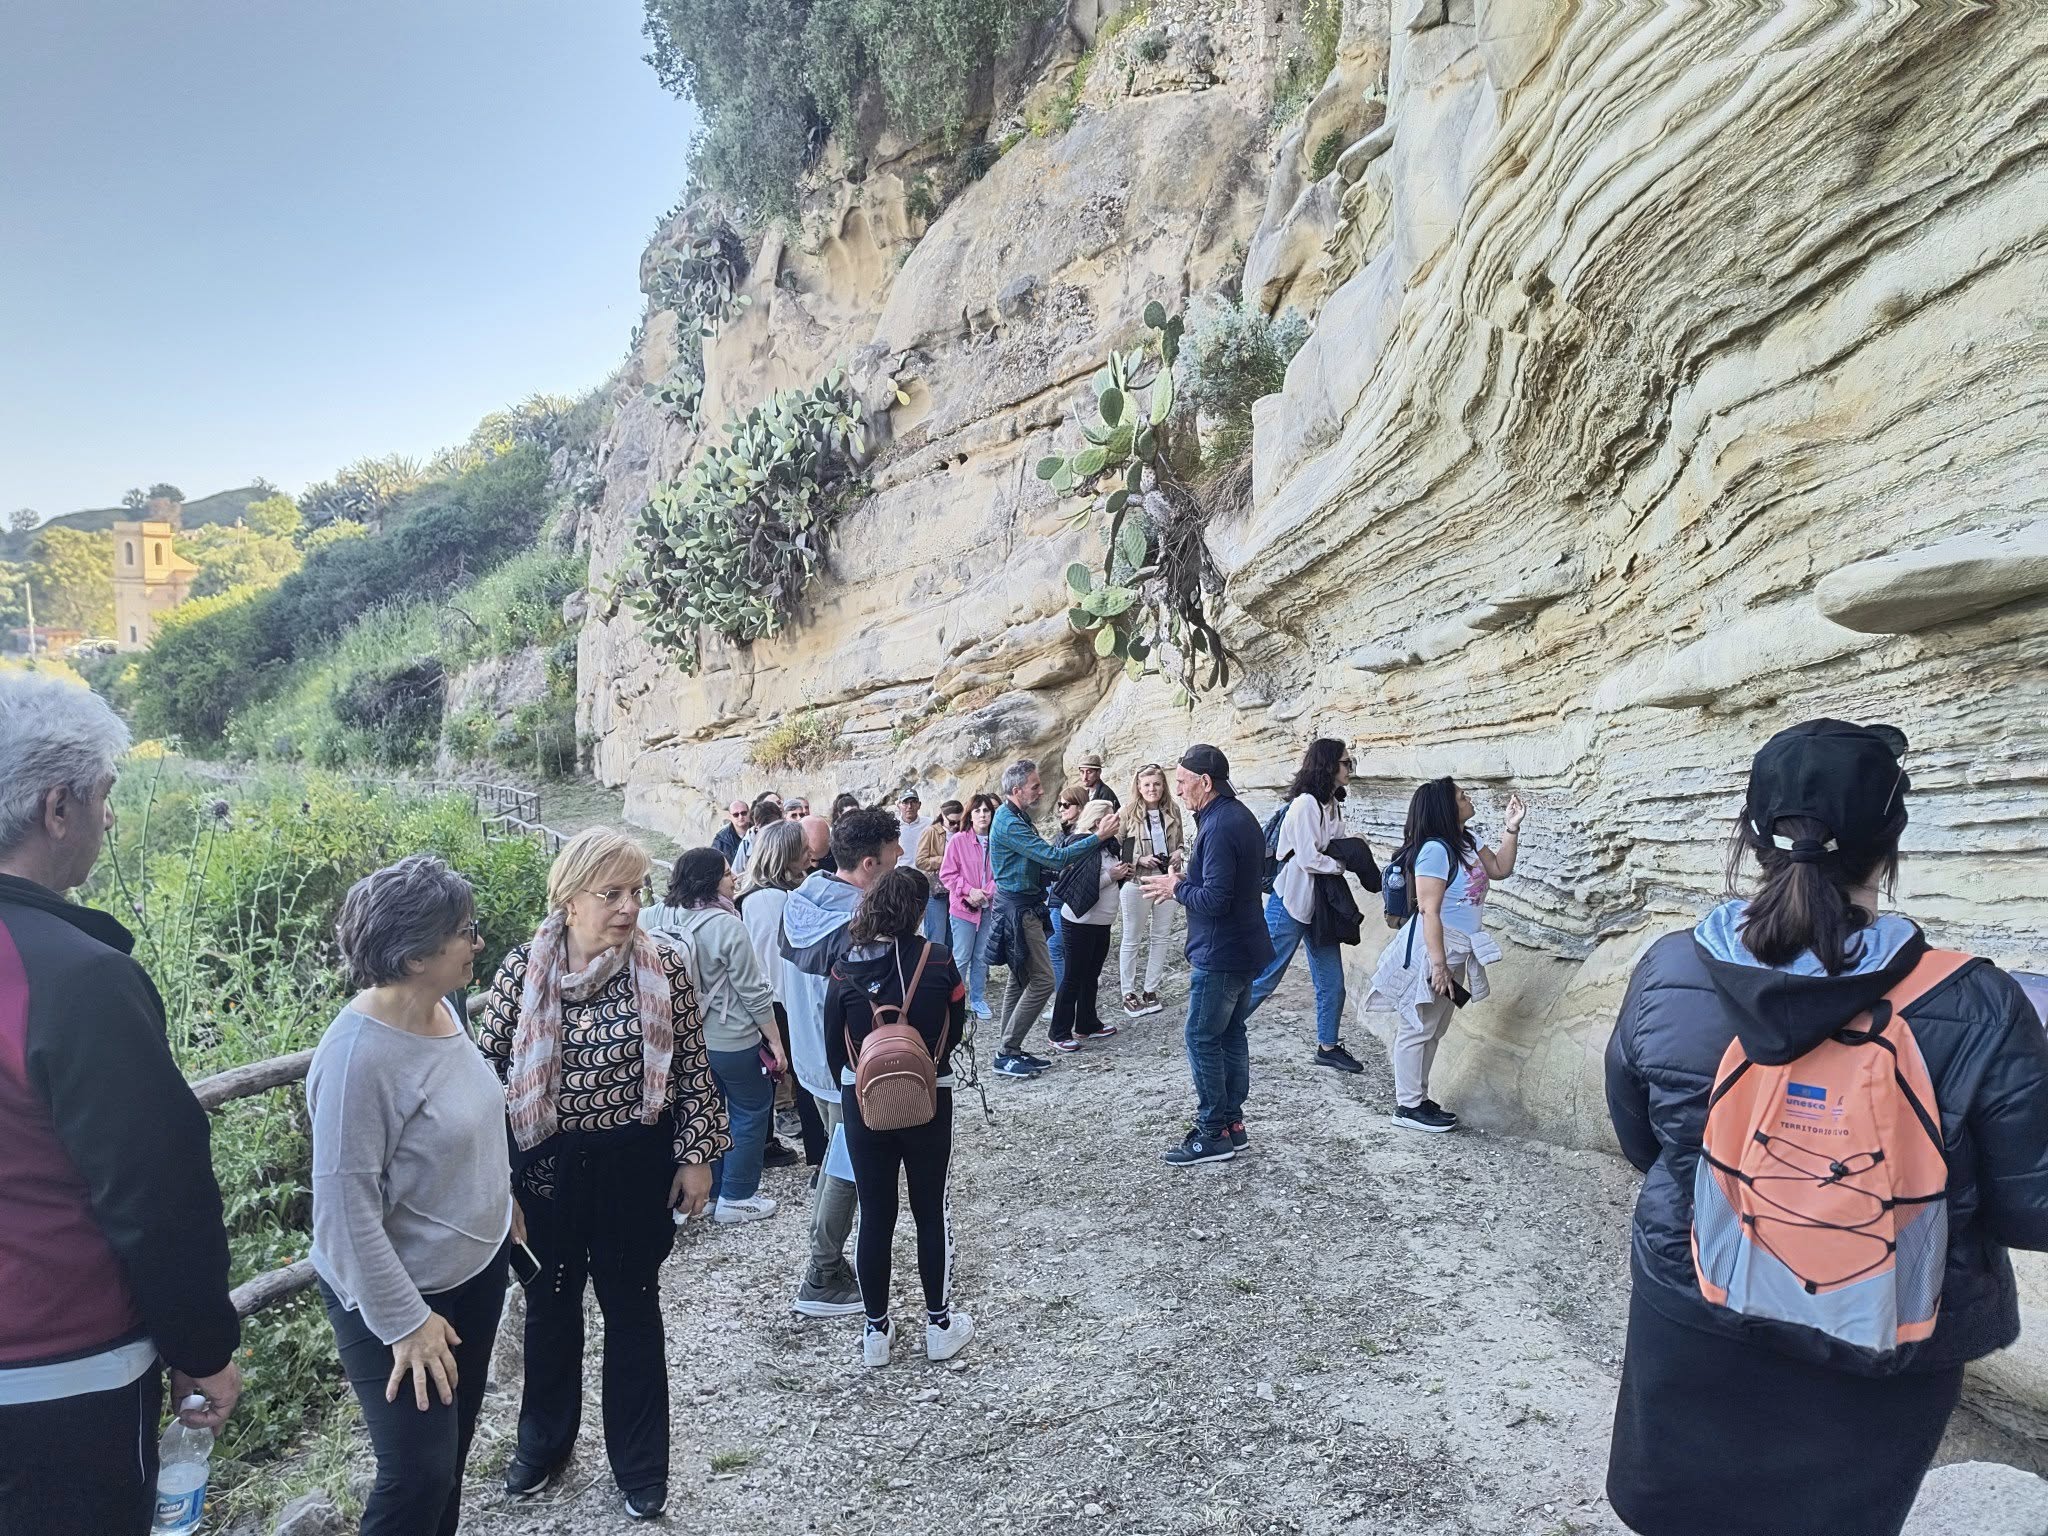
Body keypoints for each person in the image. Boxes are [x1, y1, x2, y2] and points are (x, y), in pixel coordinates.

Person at [1603, 719, 2048, 1536]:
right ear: (1891, 844)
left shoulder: (1672, 966)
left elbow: (1644, 1144)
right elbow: (2033, 1210)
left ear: (1753, 834)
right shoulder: (1980, 1004)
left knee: (1682, 1516)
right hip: (1881, 1331)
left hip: (1696, 1291)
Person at [0, 674, 240, 1535]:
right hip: (63, 1383)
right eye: (105, 797)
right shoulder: (75, 979)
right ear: (57, 807)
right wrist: (203, 1350)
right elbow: (156, 1194)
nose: (110, 819)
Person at [477, 829, 728, 1521]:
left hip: (631, 1166)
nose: (628, 907)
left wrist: (698, 1155)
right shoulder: (522, 968)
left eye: (636, 892)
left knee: (633, 1310)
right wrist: (498, 1184)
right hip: (546, 1172)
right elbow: (483, 1076)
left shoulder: (664, 967)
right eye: (611, 893)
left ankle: (641, 1466)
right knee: (550, 1308)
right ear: (568, 898)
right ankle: (545, 1444)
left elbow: (691, 1072)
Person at [311, 855, 513, 1536]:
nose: (477, 943)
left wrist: (500, 1199)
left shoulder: (445, 1008)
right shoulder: (355, 1057)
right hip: (400, 1296)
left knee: (449, 1461)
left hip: (475, 1274)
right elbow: (343, 1212)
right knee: (417, 1474)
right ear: (416, 953)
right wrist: (404, 1322)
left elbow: (471, 1119)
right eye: (464, 932)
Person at [825, 867, 976, 1369]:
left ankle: (875, 1332)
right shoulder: (939, 961)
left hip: (863, 1101)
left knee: (876, 1213)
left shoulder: (843, 967)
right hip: (929, 1095)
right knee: (931, 1208)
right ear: (916, 911)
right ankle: (938, 1323)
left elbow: (835, 1048)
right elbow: (956, 1026)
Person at [781, 807, 903, 1317]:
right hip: (847, 1066)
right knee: (848, 1168)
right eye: (896, 853)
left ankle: (826, 1262)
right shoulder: (862, 925)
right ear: (871, 863)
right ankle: (822, 1273)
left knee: (840, 1158)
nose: (903, 859)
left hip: (812, 1058)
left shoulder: (803, 898)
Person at [1139, 744, 1273, 1166]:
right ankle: (1233, 1125)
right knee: (1230, 1033)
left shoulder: (1219, 825)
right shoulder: (1238, 816)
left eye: (1181, 781)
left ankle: (1213, 1131)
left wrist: (1175, 887)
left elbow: (1215, 898)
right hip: (1243, 946)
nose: (1176, 790)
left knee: (1201, 1036)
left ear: (1205, 782)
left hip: (1221, 952)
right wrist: (1183, 879)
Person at [1365, 778, 1524, 1133]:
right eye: (1462, 797)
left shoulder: (1467, 841)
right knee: (1417, 1026)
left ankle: (1419, 1099)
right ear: (1445, 809)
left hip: (1457, 948)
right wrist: (1438, 965)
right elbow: (1429, 911)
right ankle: (1407, 1106)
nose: (1469, 799)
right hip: (1435, 947)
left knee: (1434, 1028)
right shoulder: (1435, 851)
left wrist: (1511, 829)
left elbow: (1499, 869)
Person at [640, 849, 788, 1225]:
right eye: (725, 874)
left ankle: (704, 1195)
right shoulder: (727, 925)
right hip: (731, 1037)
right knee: (750, 1109)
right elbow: (753, 992)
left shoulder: (653, 915)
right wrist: (774, 1041)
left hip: (682, 1037)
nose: (734, 877)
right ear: (708, 881)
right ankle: (737, 1195)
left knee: (705, 1112)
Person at [989, 760, 1118, 1079]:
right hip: (1019, 909)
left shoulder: (1015, 816)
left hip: (1021, 905)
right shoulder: (1010, 822)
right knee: (1043, 980)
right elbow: (1053, 856)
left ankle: (1008, 1050)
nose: (1042, 790)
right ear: (1017, 790)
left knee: (1019, 979)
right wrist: (1098, 837)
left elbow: (1040, 861)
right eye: (1035, 786)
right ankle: (1007, 1051)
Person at [1246, 738, 1367, 1073]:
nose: (1349, 768)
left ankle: (1328, 1046)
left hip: (1318, 904)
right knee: (1266, 977)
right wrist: (1340, 865)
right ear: (1328, 765)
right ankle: (1218, 1031)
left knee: (1332, 983)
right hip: (1290, 901)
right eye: (1346, 762)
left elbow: (1330, 846)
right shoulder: (1305, 805)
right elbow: (1310, 857)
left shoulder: (1330, 804)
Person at [738, 821, 829, 1167]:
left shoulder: (767, 895)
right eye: (803, 848)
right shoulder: (769, 899)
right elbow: (773, 962)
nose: (810, 853)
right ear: (785, 853)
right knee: (803, 1078)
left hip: (776, 1001)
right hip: (780, 1003)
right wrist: (798, 1010)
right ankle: (817, 1158)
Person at [1047, 785, 1129, 1052]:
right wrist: (1112, 877)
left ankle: (1086, 1024)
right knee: (1073, 976)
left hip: (1101, 922)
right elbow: (1081, 885)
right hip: (1079, 922)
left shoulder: (1110, 846)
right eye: (1111, 817)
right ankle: (1059, 1031)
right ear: (1097, 822)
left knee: (1091, 974)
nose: (1117, 820)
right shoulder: (1081, 844)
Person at [1117, 763, 1185, 1018]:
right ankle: (1128, 992)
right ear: (1138, 787)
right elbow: (1117, 849)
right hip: (1138, 882)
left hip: (1167, 879)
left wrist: (1178, 852)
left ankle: (1151, 989)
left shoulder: (1173, 810)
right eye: (1146, 784)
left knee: (1161, 936)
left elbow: (1179, 842)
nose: (1152, 789)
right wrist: (1138, 860)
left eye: (1156, 784)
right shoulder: (1127, 813)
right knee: (1132, 938)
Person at [940, 794, 1000, 1019]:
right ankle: (955, 1000)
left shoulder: (998, 840)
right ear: (970, 815)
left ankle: (978, 999)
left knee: (982, 956)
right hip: (963, 908)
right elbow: (947, 873)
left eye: (987, 811)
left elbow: (1003, 873)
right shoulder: (958, 840)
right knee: (962, 955)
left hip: (989, 906)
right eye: (978, 811)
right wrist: (969, 891)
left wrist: (987, 892)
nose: (983, 815)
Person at [914, 798, 961, 945]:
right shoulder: (930, 832)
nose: (956, 826)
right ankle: (933, 967)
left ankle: (948, 966)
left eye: (959, 822)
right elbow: (920, 861)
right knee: (937, 936)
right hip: (936, 890)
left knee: (953, 936)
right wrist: (946, 860)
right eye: (952, 822)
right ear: (943, 816)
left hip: (957, 890)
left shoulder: (962, 831)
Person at [732, 791, 782, 877]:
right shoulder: (748, 841)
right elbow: (736, 873)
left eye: (779, 803)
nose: (778, 806)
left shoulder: (787, 835)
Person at [895, 790, 928, 864]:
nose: (910, 806)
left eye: (913, 802)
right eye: (905, 802)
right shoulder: (893, 826)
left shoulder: (929, 824)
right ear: (898, 805)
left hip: (923, 873)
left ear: (919, 805)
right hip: (899, 872)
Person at [713, 799, 750, 864]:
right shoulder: (721, 839)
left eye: (743, 813)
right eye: (736, 815)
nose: (740, 817)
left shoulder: (758, 831)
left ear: (749, 813)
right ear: (730, 817)